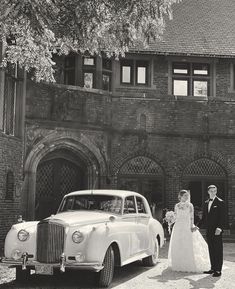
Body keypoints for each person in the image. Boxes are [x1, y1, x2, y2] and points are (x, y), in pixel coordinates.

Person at [168, 190, 210, 272]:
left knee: (188, 244)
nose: (187, 197)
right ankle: (178, 263)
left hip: (187, 226)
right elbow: (176, 216)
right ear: (180, 196)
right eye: (185, 196)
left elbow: (191, 217)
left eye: (187, 196)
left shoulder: (190, 205)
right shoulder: (176, 205)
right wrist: (170, 220)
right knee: (178, 244)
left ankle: (189, 263)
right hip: (178, 227)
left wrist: (191, 226)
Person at [200, 185, 226, 277]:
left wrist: (220, 228)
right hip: (209, 230)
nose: (213, 192)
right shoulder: (206, 202)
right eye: (211, 191)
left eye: (215, 191)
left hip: (217, 230)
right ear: (208, 192)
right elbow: (204, 218)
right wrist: (197, 226)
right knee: (211, 249)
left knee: (218, 250)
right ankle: (213, 268)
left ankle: (218, 270)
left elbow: (223, 217)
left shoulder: (220, 202)